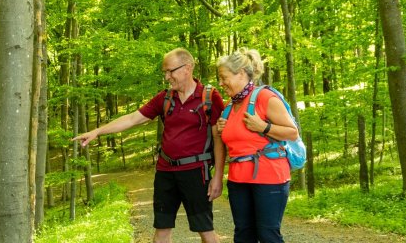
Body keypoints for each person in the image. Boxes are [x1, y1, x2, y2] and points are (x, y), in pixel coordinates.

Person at [74, 48, 225, 243]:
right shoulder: (164, 98)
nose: (167, 77)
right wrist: (97, 131)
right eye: (165, 72)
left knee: (206, 231)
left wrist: (218, 176)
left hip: (196, 173)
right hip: (165, 172)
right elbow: (132, 118)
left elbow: (219, 139)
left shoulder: (210, 97)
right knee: (161, 232)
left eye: (170, 71)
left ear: (187, 68)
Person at [213, 48, 299, 243]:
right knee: (243, 235)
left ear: (241, 73)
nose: (220, 83)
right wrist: (221, 129)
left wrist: (264, 126)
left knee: (268, 235)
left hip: (270, 177)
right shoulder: (230, 106)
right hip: (237, 179)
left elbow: (292, 132)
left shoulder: (265, 97)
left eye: (223, 77)